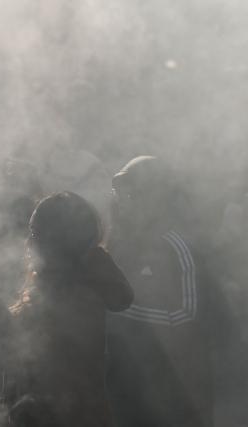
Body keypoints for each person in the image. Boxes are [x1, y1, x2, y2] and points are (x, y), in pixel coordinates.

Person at [106, 155, 216, 427]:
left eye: (132, 194)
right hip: (131, 376)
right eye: (121, 193)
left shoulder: (177, 246)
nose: (123, 201)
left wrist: (120, 309)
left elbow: (187, 315)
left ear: (155, 199)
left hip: (177, 382)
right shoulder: (119, 239)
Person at [8, 191, 133, 427]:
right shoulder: (62, 280)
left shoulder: (78, 293)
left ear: (58, 241)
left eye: (35, 233)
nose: (28, 242)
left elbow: (21, 345)